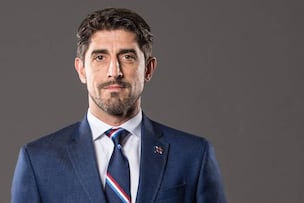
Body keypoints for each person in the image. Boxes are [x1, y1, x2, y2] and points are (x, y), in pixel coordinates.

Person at [11, 7, 226, 203]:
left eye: (128, 56)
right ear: (81, 70)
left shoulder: (193, 155)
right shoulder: (38, 162)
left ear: (149, 69)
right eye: (100, 57)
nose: (114, 71)